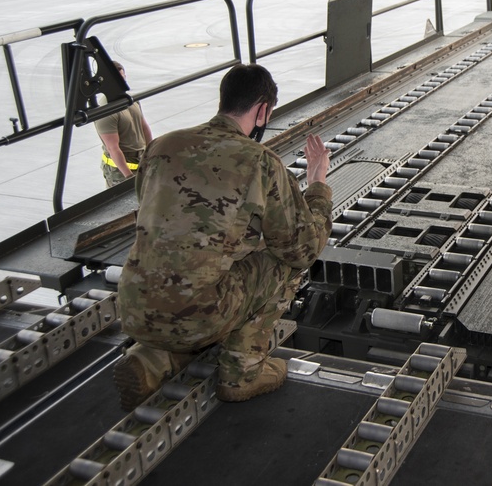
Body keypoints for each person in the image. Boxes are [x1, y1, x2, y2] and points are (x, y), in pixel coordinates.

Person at [113, 64, 333, 409]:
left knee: (192, 273)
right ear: (262, 110)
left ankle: (152, 361)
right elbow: (301, 250)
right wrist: (317, 185)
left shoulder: (161, 147)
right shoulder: (260, 161)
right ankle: (242, 373)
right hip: (200, 315)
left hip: (131, 309)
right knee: (280, 264)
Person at [94, 61, 153, 187]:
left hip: (141, 158)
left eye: (123, 77)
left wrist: (151, 152)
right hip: (120, 171)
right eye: (118, 79)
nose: (123, 82)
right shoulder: (105, 111)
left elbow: (144, 127)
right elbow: (113, 148)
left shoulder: (131, 100)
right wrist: (128, 177)